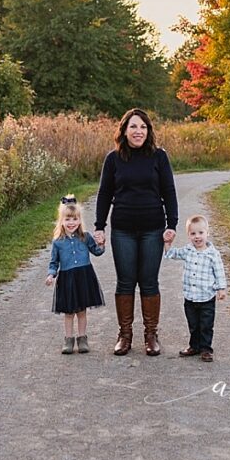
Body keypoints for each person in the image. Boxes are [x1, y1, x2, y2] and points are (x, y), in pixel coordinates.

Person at [94, 108, 178, 356]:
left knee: (149, 281)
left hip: (153, 228)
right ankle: (125, 335)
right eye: (133, 126)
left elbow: (169, 192)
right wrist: (100, 226)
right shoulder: (113, 159)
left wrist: (171, 224)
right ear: (124, 130)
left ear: (148, 131)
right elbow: (104, 194)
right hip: (123, 230)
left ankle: (151, 335)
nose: (138, 131)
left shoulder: (159, 157)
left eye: (143, 127)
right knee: (126, 281)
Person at [163, 214, 227, 362]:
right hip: (190, 296)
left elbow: (219, 272)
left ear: (207, 233)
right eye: (193, 234)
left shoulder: (213, 254)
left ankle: (206, 349)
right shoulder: (188, 250)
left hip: (206, 297)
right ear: (188, 235)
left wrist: (221, 289)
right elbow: (173, 254)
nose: (197, 237)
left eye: (200, 233)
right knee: (193, 324)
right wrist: (168, 243)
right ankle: (194, 346)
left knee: (205, 325)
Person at [46, 195, 106, 354]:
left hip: (83, 277)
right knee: (68, 312)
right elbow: (54, 262)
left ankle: (82, 338)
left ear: (79, 220)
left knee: (81, 311)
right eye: (67, 219)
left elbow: (97, 252)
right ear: (61, 221)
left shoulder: (85, 237)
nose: (71, 222)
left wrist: (101, 244)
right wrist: (51, 274)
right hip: (67, 279)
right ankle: (68, 339)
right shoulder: (58, 241)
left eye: (74, 219)